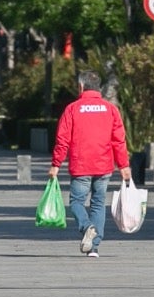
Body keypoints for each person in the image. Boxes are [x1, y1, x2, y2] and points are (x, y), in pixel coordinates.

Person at [47, 69, 132, 257]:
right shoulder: (111, 109)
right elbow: (119, 140)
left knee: (77, 201)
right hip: (104, 165)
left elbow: (63, 140)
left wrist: (56, 164)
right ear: (98, 87)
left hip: (81, 165)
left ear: (81, 86)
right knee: (98, 204)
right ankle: (94, 247)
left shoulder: (72, 109)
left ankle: (87, 227)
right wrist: (124, 166)